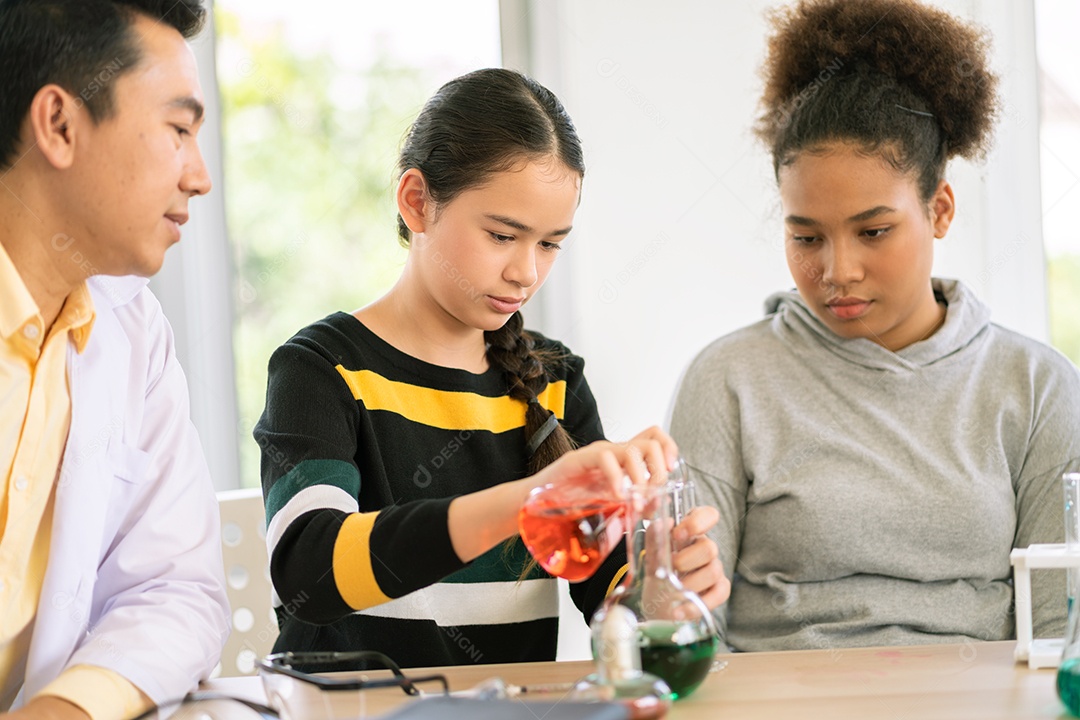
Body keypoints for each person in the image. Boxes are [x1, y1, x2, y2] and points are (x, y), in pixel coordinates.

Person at [255, 68, 728, 668]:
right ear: (417, 202)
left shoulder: (554, 382)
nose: (526, 272)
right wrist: (528, 501)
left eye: (550, 243)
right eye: (503, 235)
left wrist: (658, 591)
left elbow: (609, 594)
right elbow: (310, 573)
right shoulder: (322, 368)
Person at [670, 0, 1080, 652]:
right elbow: (685, 628)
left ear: (939, 208)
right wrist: (657, 591)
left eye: (874, 231)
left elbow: (1061, 633)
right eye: (806, 236)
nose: (838, 271)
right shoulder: (729, 380)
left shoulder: (1037, 387)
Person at [0, 1, 229, 718]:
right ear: (60, 126)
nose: (199, 177)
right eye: (179, 130)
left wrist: (67, 709)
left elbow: (177, 591)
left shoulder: (131, 331)